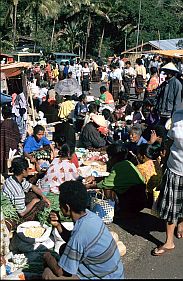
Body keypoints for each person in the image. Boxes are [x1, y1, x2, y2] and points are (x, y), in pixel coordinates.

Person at [42, 181, 124, 279]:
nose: (59, 206)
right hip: (115, 272)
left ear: (67, 207)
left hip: (106, 277)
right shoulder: (90, 216)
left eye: (60, 203)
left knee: (47, 274)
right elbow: (74, 241)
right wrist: (58, 225)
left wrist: (47, 256)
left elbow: (59, 272)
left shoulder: (80, 233)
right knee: (64, 248)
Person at [152, 109, 183, 256]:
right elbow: (170, 142)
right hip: (175, 169)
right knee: (171, 205)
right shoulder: (177, 115)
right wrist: (163, 161)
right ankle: (169, 241)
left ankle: (181, 224)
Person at [85, 143, 146, 215]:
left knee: (108, 189)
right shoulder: (128, 163)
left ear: (112, 157)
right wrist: (95, 178)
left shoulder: (118, 166)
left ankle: (121, 210)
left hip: (132, 201)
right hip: (142, 198)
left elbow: (105, 184)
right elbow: (112, 179)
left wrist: (89, 186)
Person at [2, 156, 50, 221]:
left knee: (33, 194)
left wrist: (43, 196)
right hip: (15, 214)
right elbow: (22, 213)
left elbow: (32, 186)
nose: (29, 170)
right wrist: (34, 201)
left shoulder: (12, 179)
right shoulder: (17, 189)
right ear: (23, 171)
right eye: (28, 169)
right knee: (42, 204)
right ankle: (24, 221)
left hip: (16, 203)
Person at [155, 62, 183, 126]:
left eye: (169, 72)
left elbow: (177, 102)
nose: (167, 74)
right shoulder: (164, 84)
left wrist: (174, 115)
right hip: (161, 112)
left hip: (169, 114)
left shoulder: (177, 84)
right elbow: (159, 96)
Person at [136, 143, 162, 208]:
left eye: (138, 154)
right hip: (157, 196)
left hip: (146, 197)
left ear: (143, 156)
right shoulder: (156, 163)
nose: (137, 156)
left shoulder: (140, 168)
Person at [0, 105, 21, 175]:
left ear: (3, 114)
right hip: (13, 148)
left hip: (3, 147)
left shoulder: (2, 124)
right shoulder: (14, 123)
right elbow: (18, 136)